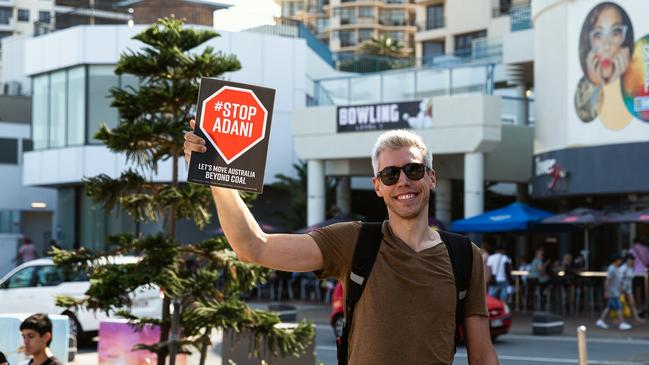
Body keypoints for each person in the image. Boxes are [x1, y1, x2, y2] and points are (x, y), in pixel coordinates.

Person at [184, 124, 499, 364]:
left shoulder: (463, 255)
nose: (403, 181)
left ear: (431, 177)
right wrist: (216, 175)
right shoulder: (354, 240)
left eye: (413, 170)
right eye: (389, 175)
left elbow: (482, 355)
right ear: (377, 186)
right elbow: (254, 246)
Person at [579, 2, 634, 86]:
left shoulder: (639, 81)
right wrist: (596, 84)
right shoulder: (580, 88)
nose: (607, 46)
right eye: (598, 34)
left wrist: (617, 82)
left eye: (615, 32)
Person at [596, 255, 632, 330]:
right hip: (612, 292)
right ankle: (622, 322)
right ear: (616, 260)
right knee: (618, 307)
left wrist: (620, 288)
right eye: (619, 260)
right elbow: (607, 280)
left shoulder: (616, 268)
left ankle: (601, 320)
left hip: (615, 291)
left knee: (609, 307)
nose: (621, 261)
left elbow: (618, 280)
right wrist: (606, 291)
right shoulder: (611, 268)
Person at [620, 254, 645, 324]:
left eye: (632, 260)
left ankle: (637, 318)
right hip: (622, 289)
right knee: (620, 304)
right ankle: (621, 320)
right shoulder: (623, 268)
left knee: (632, 304)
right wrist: (621, 288)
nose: (632, 261)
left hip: (628, 289)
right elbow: (620, 279)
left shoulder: (631, 268)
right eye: (631, 260)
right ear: (627, 260)